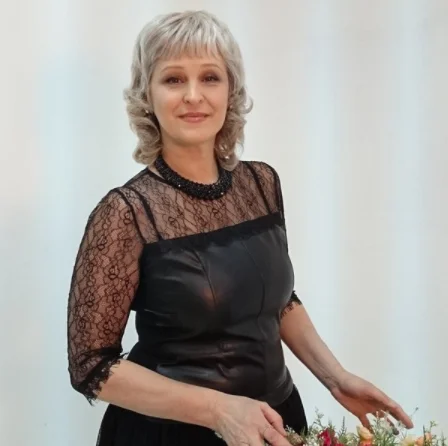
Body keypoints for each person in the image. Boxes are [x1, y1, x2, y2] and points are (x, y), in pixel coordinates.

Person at [67, 10, 413, 446]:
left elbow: (278, 301)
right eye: (173, 79)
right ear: (146, 95)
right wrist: (218, 409)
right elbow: (90, 365)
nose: (194, 95)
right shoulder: (125, 213)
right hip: (172, 435)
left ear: (230, 90)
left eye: (210, 77)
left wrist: (335, 377)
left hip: (276, 422)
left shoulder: (261, 184)